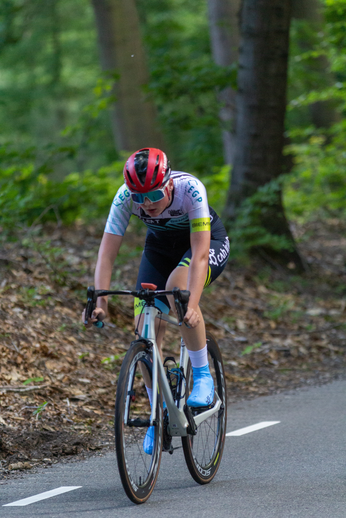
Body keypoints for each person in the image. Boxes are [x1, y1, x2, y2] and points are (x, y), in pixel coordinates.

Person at [83, 147, 229, 454]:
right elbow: (106, 255)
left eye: (153, 195)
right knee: (144, 329)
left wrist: (191, 304)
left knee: (178, 286)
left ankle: (203, 376)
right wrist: (101, 303)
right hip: (160, 251)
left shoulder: (191, 189)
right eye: (139, 197)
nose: (146, 204)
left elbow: (200, 255)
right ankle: (157, 416)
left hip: (205, 244)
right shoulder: (125, 197)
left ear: (169, 184)